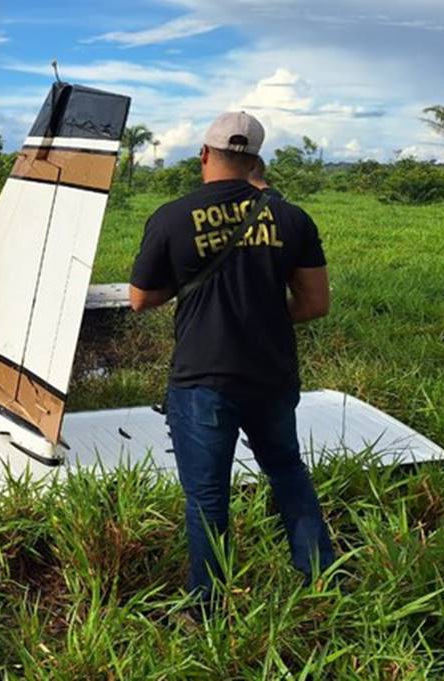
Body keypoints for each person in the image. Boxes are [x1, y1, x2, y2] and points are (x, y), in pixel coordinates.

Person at [128, 112, 335, 615]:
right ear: (255, 160)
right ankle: (322, 579)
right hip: (272, 373)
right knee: (287, 470)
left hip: (203, 378)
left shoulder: (172, 217)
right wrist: (261, 312)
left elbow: (140, 299)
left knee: (206, 496)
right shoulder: (292, 218)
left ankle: (207, 610)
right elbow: (314, 304)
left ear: (203, 154)